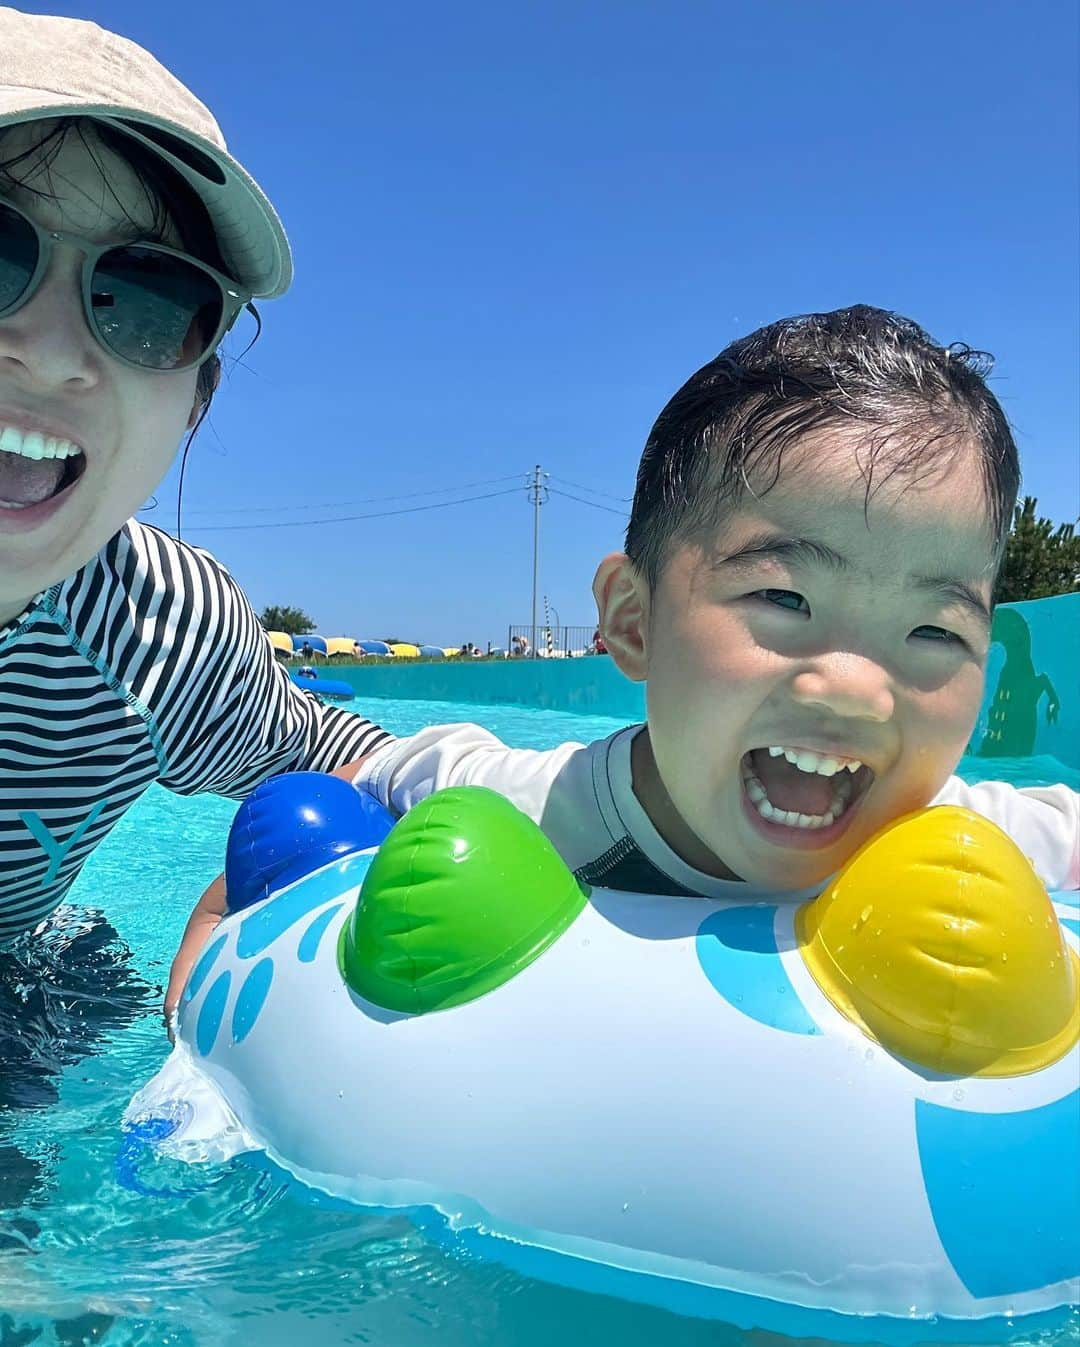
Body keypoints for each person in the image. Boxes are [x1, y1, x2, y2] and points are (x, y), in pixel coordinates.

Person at [343, 307, 1077, 900]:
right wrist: (229, 904)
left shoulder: (972, 844)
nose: (857, 690)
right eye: (785, 597)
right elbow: (379, 772)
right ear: (633, 621)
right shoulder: (541, 813)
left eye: (932, 631)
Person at [0, 14, 394, 973]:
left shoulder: (153, 631)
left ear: (194, 407)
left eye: (148, 296)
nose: (51, 353)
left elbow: (364, 767)